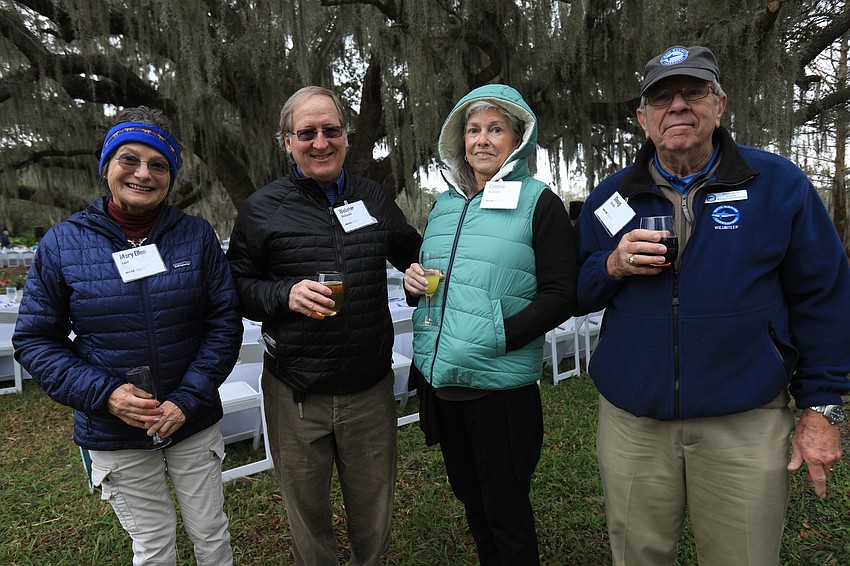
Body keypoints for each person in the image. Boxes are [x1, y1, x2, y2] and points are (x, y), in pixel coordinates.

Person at [572, 45, 850, 565]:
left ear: (720, 104)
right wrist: (611, 265)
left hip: (745, 420)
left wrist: (822, 408)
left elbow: (825, 298)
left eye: (693, 92)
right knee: (637, 556)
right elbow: (577, 288)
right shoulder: (613, 196)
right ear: (643, 118)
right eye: (660, 97)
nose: (677, 106)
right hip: (635, 423)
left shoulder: (778, 186)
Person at [13, 107, 243, 565]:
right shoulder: (64, 243)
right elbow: (36, 340)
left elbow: (223, 324)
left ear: (171, 176)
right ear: (106, 167)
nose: (143, 173)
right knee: (154, 546)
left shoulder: (195, 236)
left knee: (211, 536)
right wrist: (107, 394)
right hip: (114, 428)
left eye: (158, 164)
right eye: (128, 159)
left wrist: (187, 399)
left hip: (190, 420)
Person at [226, 86, 421, 565]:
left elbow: (413, 253)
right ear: (287, 142)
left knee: (374, 512)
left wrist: (418, 276)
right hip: (296, 392)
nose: (320, 142)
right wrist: (284, 294)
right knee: (306, 515)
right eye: (307, 132)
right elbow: (237, 287)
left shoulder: (372, 196)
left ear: (346, 138)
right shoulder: (261, 208)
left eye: (330, 130)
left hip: (369, 386)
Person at [404, 84, 577, 564]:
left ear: (518, 139)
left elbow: (563, 293)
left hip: (499, 389)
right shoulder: (443, 205)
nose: (482, 140)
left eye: (495, 129)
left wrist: (500, 335)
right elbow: (433, 277)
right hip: (443, 383)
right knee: (473, 502)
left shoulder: (539, 203)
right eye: (473, 130)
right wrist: (412, 284)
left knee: (506, 510)